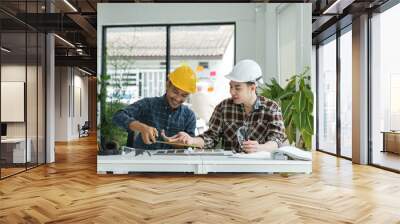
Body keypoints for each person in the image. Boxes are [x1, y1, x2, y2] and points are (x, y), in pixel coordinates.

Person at [165, 59, 286, 153]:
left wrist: (259, 148)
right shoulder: (223, 108)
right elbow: (211, 138)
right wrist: (191, 140)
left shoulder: (271, 108)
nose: (232, 92)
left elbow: (276, 140)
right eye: (231, 86)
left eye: (237, 88)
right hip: (230, 172)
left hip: (261, 171)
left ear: (252, 88)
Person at [112, 65, 197, 150]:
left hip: (173, 162)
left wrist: (178, 144)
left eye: (184, 95)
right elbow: (118, 116)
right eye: (175, 92)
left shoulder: (189, 116)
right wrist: (141, 127)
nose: (178, 98)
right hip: (143, 160)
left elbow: (189, 146)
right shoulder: (148, 104)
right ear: (167, 85)